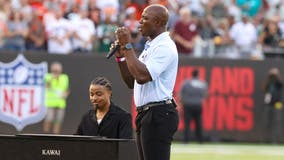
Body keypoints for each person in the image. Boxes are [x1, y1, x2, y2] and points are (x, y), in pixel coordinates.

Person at [111, 4, 179, 160]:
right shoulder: (151, 46)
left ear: (157, 22)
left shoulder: (165, 46)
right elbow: (131, 82)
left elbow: (142, 77)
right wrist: (121, 57)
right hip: (148, 113)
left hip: (159, 113)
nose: (139, 22)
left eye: (144, 19)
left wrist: (128, 46)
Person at [179, 69, 208, 143]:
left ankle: (186, 140)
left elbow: (181, 94)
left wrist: (182, 102)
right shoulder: (202, 83)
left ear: (192, 74)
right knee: (198, 123)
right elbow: (206, 94)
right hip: (198, 105)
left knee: (187, 123)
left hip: (187, 105)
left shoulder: (186, 83)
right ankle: (200, 140)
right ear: (198, 74)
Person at [43, 61, 70, 134]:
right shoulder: (47, 76)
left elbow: (67, 89)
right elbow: (46, 86)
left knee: (58, 121)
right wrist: (52, 78)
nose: (56, 72)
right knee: (49, 119)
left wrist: (66, 94)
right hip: (50, 103)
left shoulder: (64, 77)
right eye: (55, 70)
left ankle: (56, 136)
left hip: (60, 103)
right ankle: (46, 134)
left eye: (57, 70)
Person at [262, 67, 283, 143]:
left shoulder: (278, 83)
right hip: (268, 104)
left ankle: (275, 140)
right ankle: (266, 139)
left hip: (277, 104)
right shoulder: (269, 82)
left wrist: (276, 75)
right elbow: (264, 88)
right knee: (267, 122)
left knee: (276, 122)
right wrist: (269, 76)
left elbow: (281, 84)